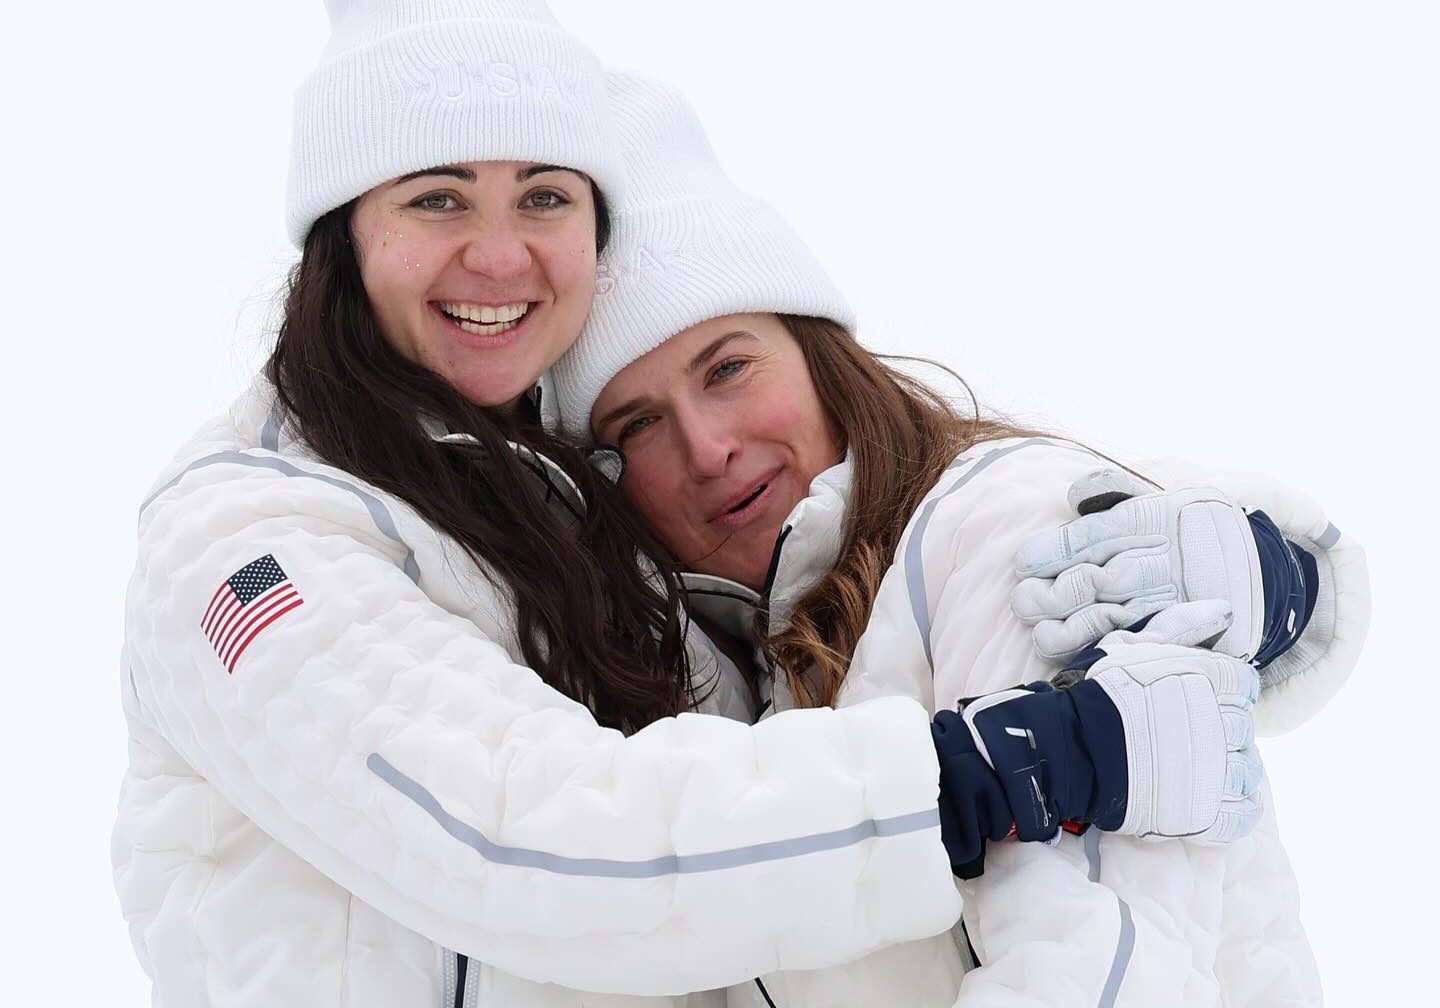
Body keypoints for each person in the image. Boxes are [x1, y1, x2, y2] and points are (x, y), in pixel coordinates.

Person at [111, 4, 1270, 1006]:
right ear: (344, 234)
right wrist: (970, 774)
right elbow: (524, 834)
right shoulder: (255, 542)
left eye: (546, 195)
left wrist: (1274, 579)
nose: (501, 255)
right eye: (438, 197)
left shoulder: (587, 558)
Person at [552, 71, 1370, 1006]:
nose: (706, 447)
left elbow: (1098, 969)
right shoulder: (744, 701)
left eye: (729, 366)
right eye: (638, 426)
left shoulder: (1002, 535)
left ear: (822, 360)